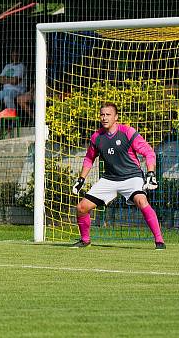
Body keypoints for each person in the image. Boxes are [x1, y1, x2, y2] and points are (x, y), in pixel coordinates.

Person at [71, 102, 165, 250]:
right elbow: (89, 158)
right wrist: (81, 179)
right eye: (102, 114)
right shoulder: (97, 137)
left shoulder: (127, 132)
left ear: (116, 117)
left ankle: (159, 241)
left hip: (131, 177)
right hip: (109, 178)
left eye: (108, 114)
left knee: (141, 201)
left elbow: (148, 152)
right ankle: (85, 240)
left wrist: (151, 173)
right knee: (82, 207)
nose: (104, 117)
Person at [0, 49, 27, 121]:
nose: (15, 57)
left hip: (16, 90)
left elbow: (15, 81)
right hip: (5, 90)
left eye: (16, 55)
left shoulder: (21, 66)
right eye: (13, 55)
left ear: (20, 56)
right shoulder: (7, 66)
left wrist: (5, 79)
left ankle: (13, 120)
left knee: (7, 97)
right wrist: (10, 79)